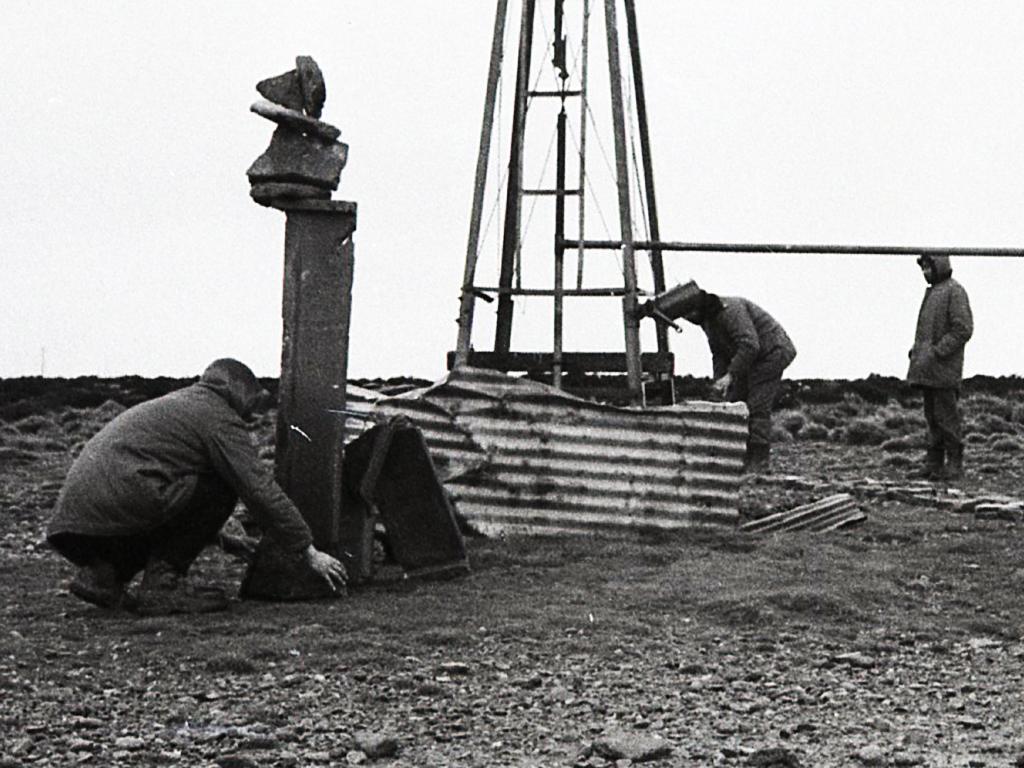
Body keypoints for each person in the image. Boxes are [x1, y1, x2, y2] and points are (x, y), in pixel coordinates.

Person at [47, 358, 348, 613]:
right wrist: (308, 550)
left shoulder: (180, 404)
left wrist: (224, 540)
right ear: (235, 388)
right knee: (220, 486)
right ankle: (162, 586)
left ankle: (102, 576)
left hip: (73, 527)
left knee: (153, 498)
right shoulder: (216, 414)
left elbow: (166, 502)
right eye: (252, 403)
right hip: (122, 506)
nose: (250, 414)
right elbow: (258, 488)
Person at [639, 281, 796, 473]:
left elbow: (749, 345)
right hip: (751, 358)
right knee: (735, 403)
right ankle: (739, 456)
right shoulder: (709, 321)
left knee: (756, 406)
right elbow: (719, 354)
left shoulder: (731, 310)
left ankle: (758, 461)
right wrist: (719, 382)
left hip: (773, 353)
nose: (688, 318)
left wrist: (730, 376)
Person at [906, 253, 973, 481]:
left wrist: (938, 352)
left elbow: (963, 328)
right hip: (929, 369)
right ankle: (934, 464)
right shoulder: (935, 292)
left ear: (939, 266)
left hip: (943, 369)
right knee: (932, 418)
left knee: (947, 417)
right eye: (923, 268)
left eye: (928, 267)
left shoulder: (954, 291)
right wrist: (918, 353)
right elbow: (929, 333)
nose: (925, 272)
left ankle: (954, 464)